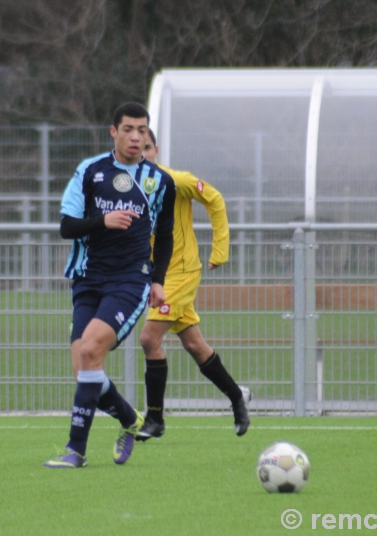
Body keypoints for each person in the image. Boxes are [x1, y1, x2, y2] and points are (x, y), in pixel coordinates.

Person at [44, 103, 176, 469]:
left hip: (130, 281)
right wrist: (104, 220)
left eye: (143, 131)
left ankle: (75, 451)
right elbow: (67, 227)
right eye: (129, 129)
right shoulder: (89, 171)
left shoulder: (159, 181)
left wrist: (158, 281)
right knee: (85, 368)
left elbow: (164, 237)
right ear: (113, 132)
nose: (137, 137)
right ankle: (130, 419)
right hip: (87, 278)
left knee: (89, 351)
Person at [136, 130, 250, 440]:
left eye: (147, 147)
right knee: (195, 346)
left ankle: (155, 418)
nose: (142, 154)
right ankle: (237, 396)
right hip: (157, 277)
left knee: (149, 339)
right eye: (137, 148)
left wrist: (220, 250)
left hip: (183, 273)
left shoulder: (177, 180)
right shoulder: (127, 189)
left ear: (156, 150)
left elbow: (214, 199)